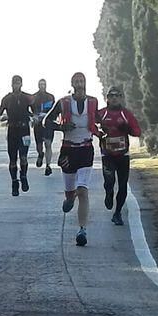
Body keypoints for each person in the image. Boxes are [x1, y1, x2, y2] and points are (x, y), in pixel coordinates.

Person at [43, 72, 101, 246]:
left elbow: (98, 119)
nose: (79, 83)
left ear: (85, 83)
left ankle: (82, 230)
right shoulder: (64, 102)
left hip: (86, 148)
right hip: (68, 150)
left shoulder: (93, 101)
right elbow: (46, 122)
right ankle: (69, 198)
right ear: (72, 84)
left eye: (82, 80)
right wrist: (62, 126)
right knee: (71, 193)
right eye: (76, 81)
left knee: (83, 191)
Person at [96, 86, 142, 226]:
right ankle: (108, 192)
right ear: (107, 98)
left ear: (121, 98)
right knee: (109, 180)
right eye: (111, 95)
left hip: (122, 154)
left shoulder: (126, 114)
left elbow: (137, 131)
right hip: (107, 154)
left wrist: (127, 129)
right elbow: (91, 125)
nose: (114, 98)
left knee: (122, 186)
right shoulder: (102, 113)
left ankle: (117, 213)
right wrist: (99, 131)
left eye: (117, 95)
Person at [0, 75, 34, 196]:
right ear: (11, 84)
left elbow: (35, 111)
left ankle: (23, 176)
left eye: (18, 83)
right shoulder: (7, 98)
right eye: (14, 83)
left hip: (24, 130)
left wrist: (34, 116)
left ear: (21, 84)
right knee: (12, 159)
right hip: (12, 130)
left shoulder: (27, 97)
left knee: (23, 157)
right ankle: (14, 182)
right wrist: (2, 117)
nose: (16, 85)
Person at [32, 79, 55, 175]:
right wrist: (34, 117)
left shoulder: (51, 97)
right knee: (39, 145)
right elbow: (31, 110)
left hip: (48, 124)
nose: (42, 86)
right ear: (38, 85)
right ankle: (40, 154)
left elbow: (54, 110)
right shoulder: (34, 97)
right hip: (38, 124)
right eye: (40, 84)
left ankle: (48, 166)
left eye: (43, 84)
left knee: (48, 144)